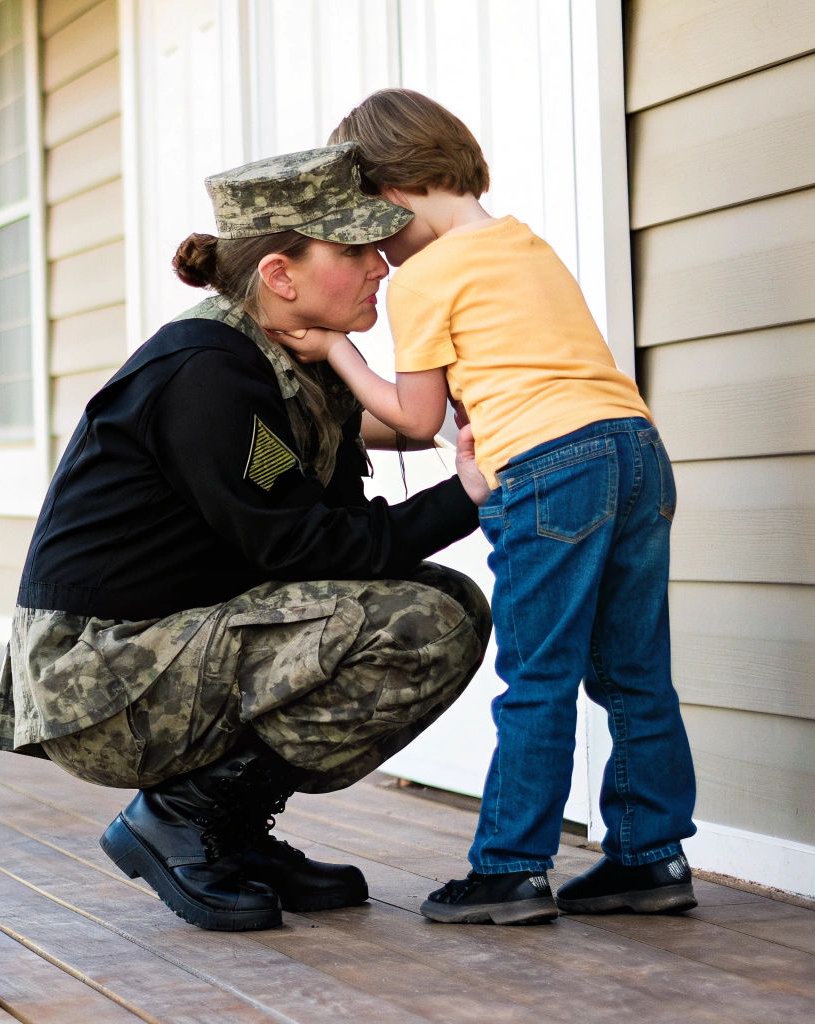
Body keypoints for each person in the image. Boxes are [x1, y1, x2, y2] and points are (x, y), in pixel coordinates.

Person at [0, 143, 494, 932]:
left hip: (165, 641)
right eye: (354, 249)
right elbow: (306, 548)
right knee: (425, 622)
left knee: (440, 598)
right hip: (99, 674)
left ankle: (227, 830)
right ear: (280, 277)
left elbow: (341, 460)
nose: (380, 267)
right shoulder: (209, 373)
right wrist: (465, 496)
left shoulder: (271, 357)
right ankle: (181, 819)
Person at [313, 88, 698, 924]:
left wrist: (336, 349)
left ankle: (511, 868)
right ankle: (650, 855)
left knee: (539, 674)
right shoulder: (524, 244)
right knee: (633, 672)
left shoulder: (425, 279)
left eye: (369, 225)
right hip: (633, 450)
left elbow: (416, 417)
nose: (374, 249)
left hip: (550, 470)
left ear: (390, 194)